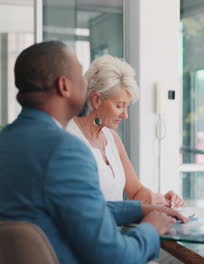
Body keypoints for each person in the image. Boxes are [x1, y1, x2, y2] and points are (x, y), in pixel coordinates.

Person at [0, 41, 187, 264]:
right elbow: (114, 257)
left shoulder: (7, 142)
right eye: (81, 74)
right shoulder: (65, 149)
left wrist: (141, 208)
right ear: (64, 86)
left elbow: (83, 210)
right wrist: (150, 228)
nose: (86, 84)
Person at [66, 55, 184, 207]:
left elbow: (136, 192)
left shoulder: (111, 138)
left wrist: (160, 200)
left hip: (115, 228)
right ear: (96, 100)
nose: (125, 115)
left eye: (126, 106)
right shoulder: (69, 139)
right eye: (119, 106)